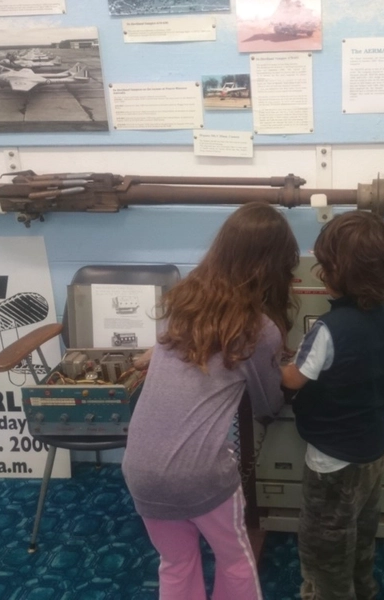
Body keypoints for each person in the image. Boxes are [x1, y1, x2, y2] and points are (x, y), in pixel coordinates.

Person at [122, 202, 299, 600]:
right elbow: (268, 403)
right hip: (200, 475)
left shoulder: (181, 303)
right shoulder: (260, 328)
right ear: (274, 266)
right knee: (234, 558)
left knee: (176, 562)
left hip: (140, 469)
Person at [281, 211, 384, 600]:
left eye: (324, 264)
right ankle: (364, 591)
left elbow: (292, 379)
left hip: (331, 462)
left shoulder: (329, 330)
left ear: (337, 272)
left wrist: (279, 360)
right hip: (372, 452)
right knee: (361, 539)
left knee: (325, 549)